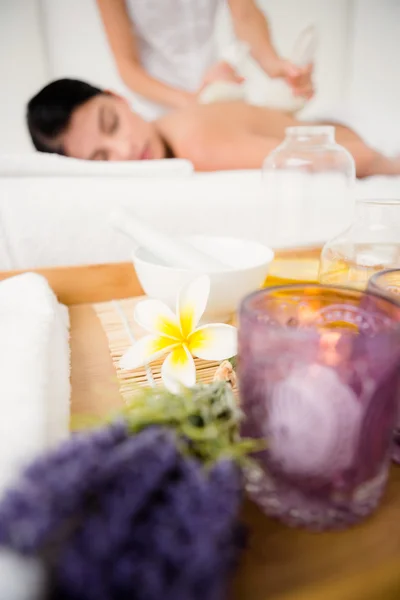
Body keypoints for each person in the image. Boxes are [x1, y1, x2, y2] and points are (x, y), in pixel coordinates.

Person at [27, 79, 400, 178]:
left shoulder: (194, 142)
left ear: (118, 97)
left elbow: (355, 158)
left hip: (360, 132)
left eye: (112, 124)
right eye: (101, 157)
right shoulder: (170, 127)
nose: (123, 149)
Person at [96, 0, 314, 118]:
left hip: (214, 90)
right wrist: (194, 101)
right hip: (156, 103)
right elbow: (128, 66)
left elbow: (245, 15)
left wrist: (276, 66)